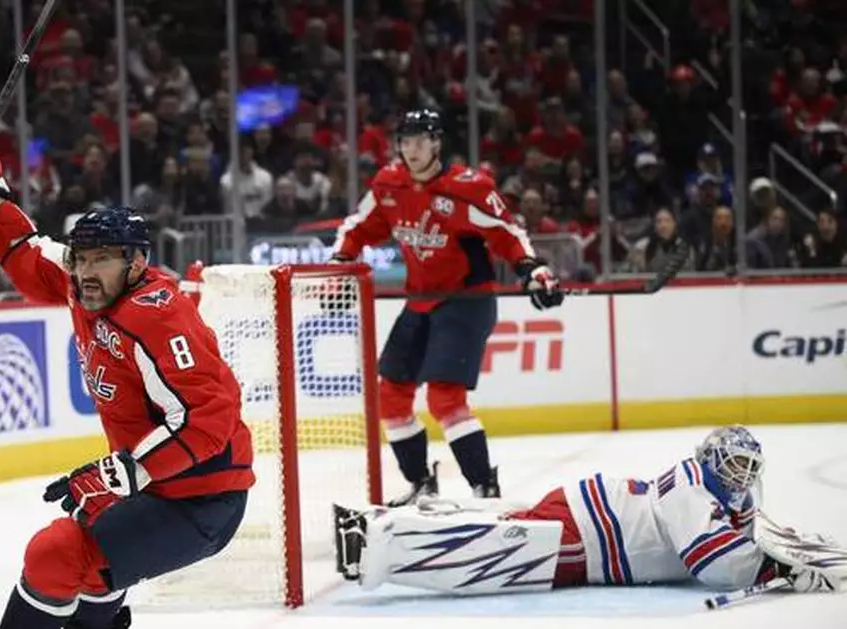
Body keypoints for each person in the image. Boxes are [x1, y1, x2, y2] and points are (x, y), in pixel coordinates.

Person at [0, 139, 254, 629]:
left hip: (202, 499)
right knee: (89, 571)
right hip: (154, 486)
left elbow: (208, 419)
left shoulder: (158, 316)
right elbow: (29, 256)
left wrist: (124, 474)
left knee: (56, 554)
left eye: (102, 259)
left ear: (135, 263)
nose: (86, 271)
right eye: (81, 259)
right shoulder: (83, 282)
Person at [330, 109, 564, 504]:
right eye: (405, 141)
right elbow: (358, 227)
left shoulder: (467, 188)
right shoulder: (389, 184)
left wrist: (533, 268)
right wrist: (341, 261)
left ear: (437, 143)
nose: (411, 149)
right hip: (420, 301)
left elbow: (507, 233)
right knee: (391, 396)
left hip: (465, 302)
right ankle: (422, 483)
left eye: (420, 140)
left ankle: (483, 486)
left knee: (444, 398)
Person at [333, 425, 839, 596]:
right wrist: (772, 567)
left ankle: (396, 524)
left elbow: (743, 535)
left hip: (587, 515)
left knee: (506, 530)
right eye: (732, 468)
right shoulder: (691, 491)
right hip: (589, 536)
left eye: (747, 470)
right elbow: (715, 565)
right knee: (497, 560)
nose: (740, 479)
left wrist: (781, 554)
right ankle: (381, 544)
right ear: (711, 463)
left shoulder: (708, 488)